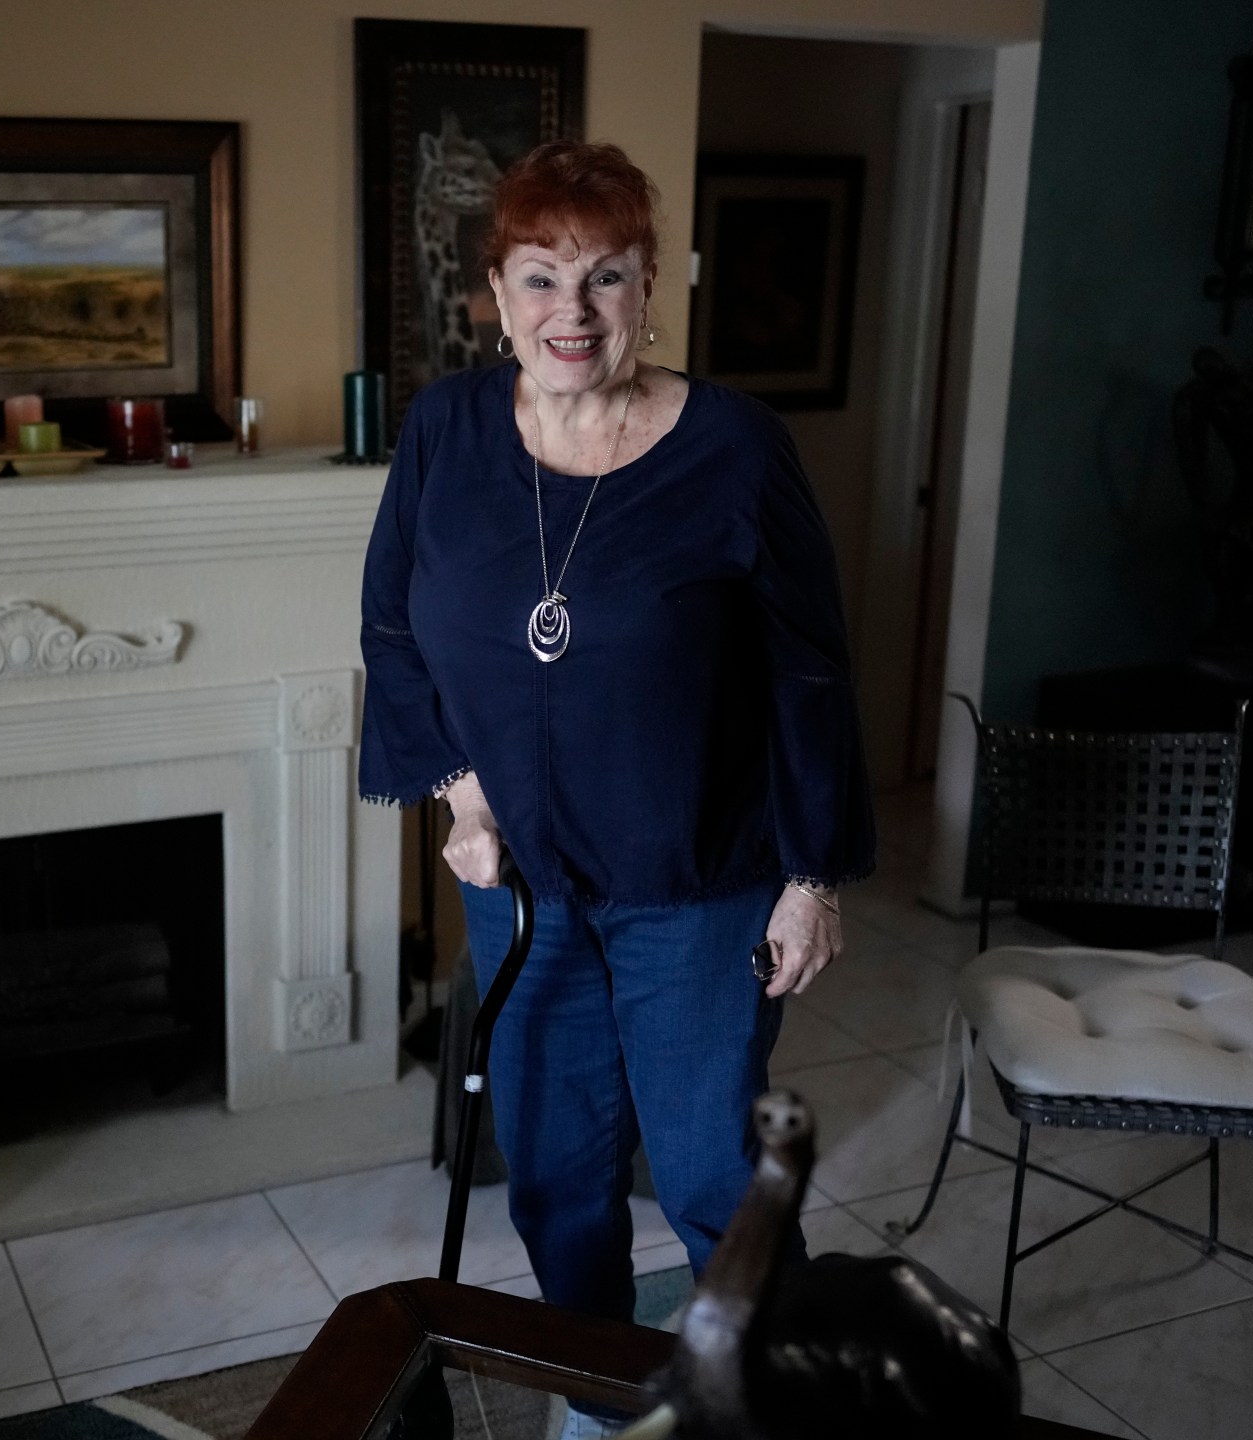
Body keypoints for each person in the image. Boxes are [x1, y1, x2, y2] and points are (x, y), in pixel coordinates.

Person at [358, 140, 875, 1435]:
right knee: (554, 1182)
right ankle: (594, 1403)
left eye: (605, 276)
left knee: (712, 1181)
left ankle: (765, 1402)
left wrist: (812, 879)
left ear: (651, 287)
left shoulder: (738, 447)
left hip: (697, 885)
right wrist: (463, 796)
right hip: (523, 892)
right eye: (541, 277)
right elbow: (392, 628)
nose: (572, 310)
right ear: (496, 292)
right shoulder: (445, 432)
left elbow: (808, 671)